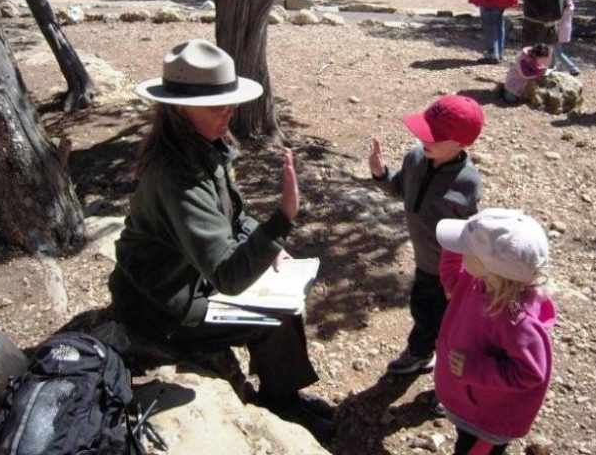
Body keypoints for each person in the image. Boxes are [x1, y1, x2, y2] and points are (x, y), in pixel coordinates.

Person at [108, 39, 334, 439]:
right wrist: (281, 220)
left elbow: (232, 216)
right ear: (181, 108)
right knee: (276, 316)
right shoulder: (177, 177)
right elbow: (228, 275)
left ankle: (283, 393)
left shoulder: (200, 147)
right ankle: (281, 403)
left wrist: (267, 244)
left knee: (285, 297)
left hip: (189, 279)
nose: (229, 112)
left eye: (230, 102)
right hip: (165, 304)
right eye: (218, 105)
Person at [369, 95, 483, 375]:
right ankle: (421, 354)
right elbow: (399, 188)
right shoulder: (416, 158)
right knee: (422, 310)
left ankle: (450, 379)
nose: (424, 139)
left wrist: (458, 277)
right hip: (425, 263)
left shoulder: (467, 182)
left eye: (434, 136)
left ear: (461, 143)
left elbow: (470, 234)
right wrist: (381, 174)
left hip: (449, 271)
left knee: (449, 324)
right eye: (424, 132)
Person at [434, 208, 556, 455]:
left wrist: (476, 369)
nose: (461, 251)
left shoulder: (520, 323)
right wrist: (455, 247)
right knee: (464, 440)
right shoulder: (476, 279)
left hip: (488, 418)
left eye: (466, 249)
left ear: (489, 267)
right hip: (468, 403)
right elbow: (450, 281)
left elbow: (531, 373)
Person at [553, 0, 580, 76]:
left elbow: (556, 21)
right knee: (553, 50)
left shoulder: (561, 10)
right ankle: (553, 68)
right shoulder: (569, 7)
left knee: (558, 51)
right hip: (563, 31)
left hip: (557, 31)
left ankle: (572, 68)